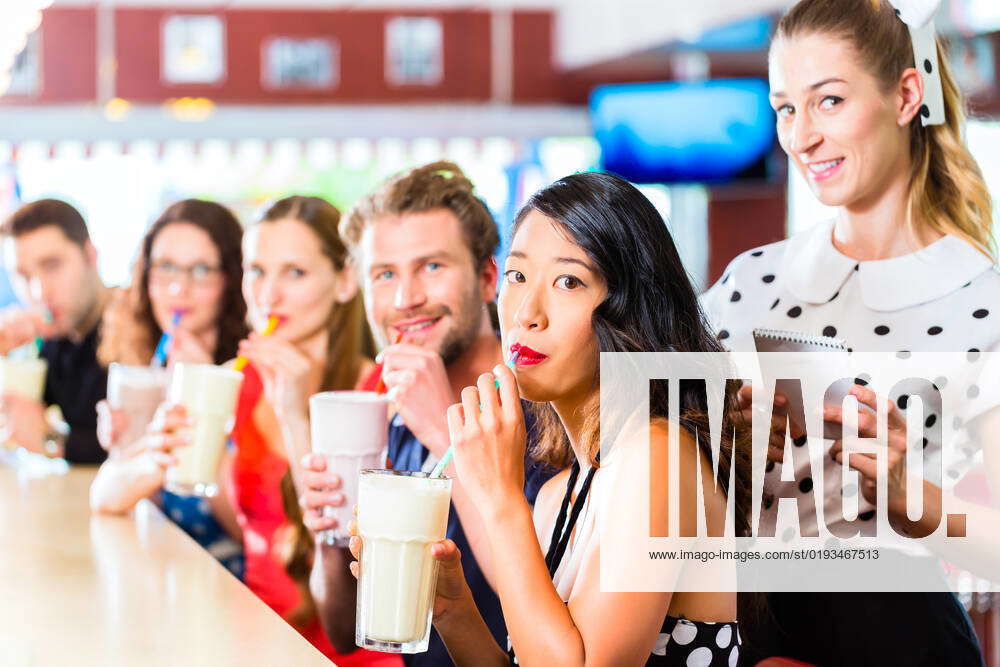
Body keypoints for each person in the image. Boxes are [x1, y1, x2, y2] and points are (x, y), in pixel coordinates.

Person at [343, 171, 752, 666]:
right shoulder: (560, 492)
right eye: (517, 276)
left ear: (628, 309)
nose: (526, 314)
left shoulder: (657, 456)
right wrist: (453, 610)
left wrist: (498, 497)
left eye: (568, 281)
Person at [701, 0, 997, 663]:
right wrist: (724, 438)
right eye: (785, 108)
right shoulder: (748, 284)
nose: (800, 136)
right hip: (745, 635)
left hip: (897, 639)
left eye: (827, 101)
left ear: (905, 96)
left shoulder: (983, 302)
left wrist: (901, 494)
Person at [299, 162, 555, 665]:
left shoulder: (548, 406)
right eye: (385, 274)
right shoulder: (390, 420)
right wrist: (329, 536)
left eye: (432, 267)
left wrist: (443, 430)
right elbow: (345, 631)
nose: (405, 299)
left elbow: (550, 610)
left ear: (487, 279)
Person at [89, 199, 248, 577]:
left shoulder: (250, 371)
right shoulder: (143, 366)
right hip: (160, 578)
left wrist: (205, 392)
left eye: (201, 270)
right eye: (165, 267)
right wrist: (125, 448)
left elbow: (254, 535)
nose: (179, 287)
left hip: (234, 595)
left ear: (231, 278)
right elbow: (107, 498)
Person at [0, 199, 111, 464]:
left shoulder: (137, 328)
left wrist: (52, 440)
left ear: (90, 255)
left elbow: (133, 444)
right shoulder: (55, 340)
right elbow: (18, 418)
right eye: (24, 276)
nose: (39, 292)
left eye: (52, 266)